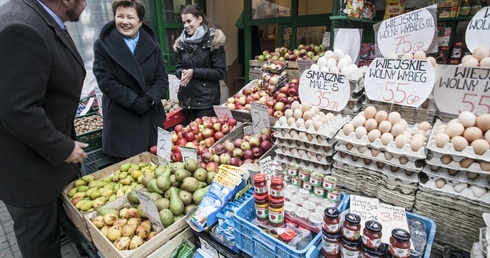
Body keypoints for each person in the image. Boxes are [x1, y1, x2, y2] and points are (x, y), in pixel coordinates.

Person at [0, 0, 89, 257]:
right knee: (42, 247)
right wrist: (63, 147)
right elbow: (16, 108)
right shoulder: (21, 26)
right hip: (29, 176)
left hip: (49, 168)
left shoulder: (40, 19)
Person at [93, 0, 169, 160]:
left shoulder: (152, 45)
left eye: (130, 17)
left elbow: (162, 79)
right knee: (128, 174)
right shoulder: (103, 45)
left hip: (150, 114)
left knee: (159, 168)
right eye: (120, 16)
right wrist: (133, 101)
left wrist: (149, 99)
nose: (125, 21)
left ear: (140, 21)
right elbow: (106, 81)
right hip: (122, 117)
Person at [174, 3, 226, 123]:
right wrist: (182, 73)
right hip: (187, 101)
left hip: (206, 102)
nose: (186, 25)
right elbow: (178, 68)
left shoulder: (214, 41)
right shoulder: (182, 43)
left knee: (204, 137)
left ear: (199, 19)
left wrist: (194, 72)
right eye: (184, 22)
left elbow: (220, 72)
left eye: (189, 21)